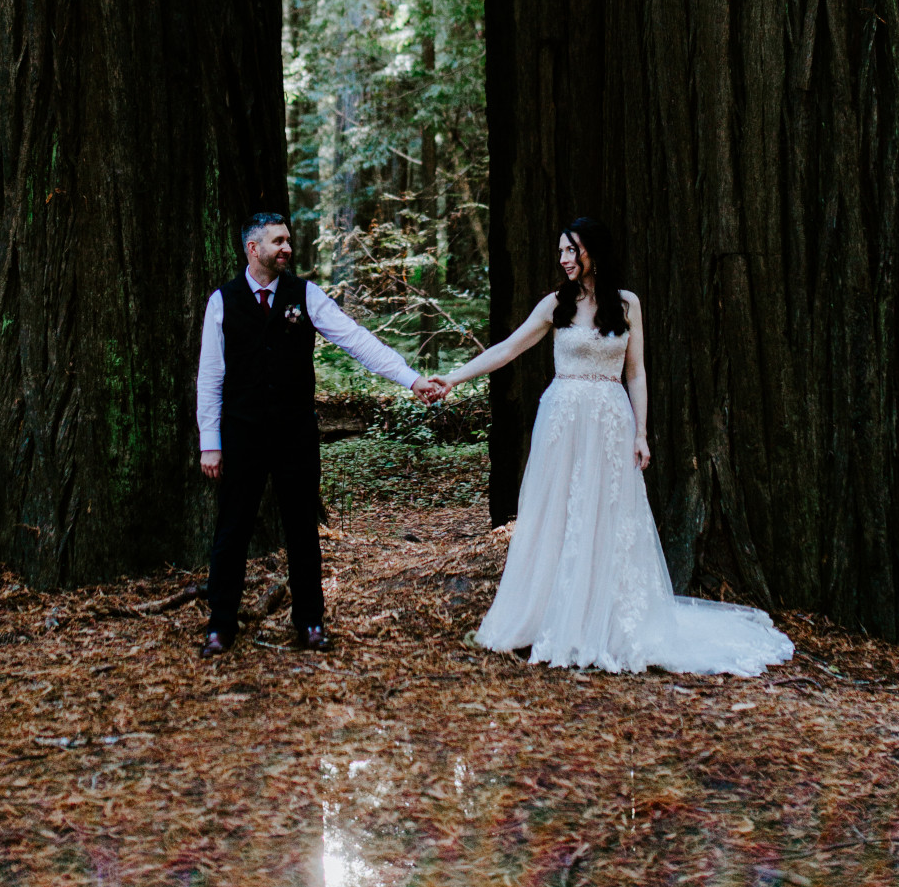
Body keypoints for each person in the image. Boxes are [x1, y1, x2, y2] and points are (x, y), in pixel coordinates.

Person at [437, 216, 793, 676]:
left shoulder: (627, 305)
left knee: (606, 515)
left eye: (572, 250)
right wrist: (452, 378)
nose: (564, 259)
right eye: (561, 251)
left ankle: (601, 621)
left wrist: (641, 433)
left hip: (609, 421)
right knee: (558, 512)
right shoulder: (555, 305)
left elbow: (636, 373)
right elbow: (507, 349)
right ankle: (549, 615)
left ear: (593, 252)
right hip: (563, 421)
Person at [196, 211, 445, 658]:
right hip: (242, 435)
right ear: (253, 249)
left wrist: (410, 379)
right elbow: (210, 377)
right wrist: (209, 443)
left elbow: (357, 340)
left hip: (294, 433)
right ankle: (220, 625)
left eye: (288, 239)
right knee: (232, 530)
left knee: (301, 531)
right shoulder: (223, 300)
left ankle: (310, 621)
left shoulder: (306, 296)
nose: (287, 248)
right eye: (277, 241)